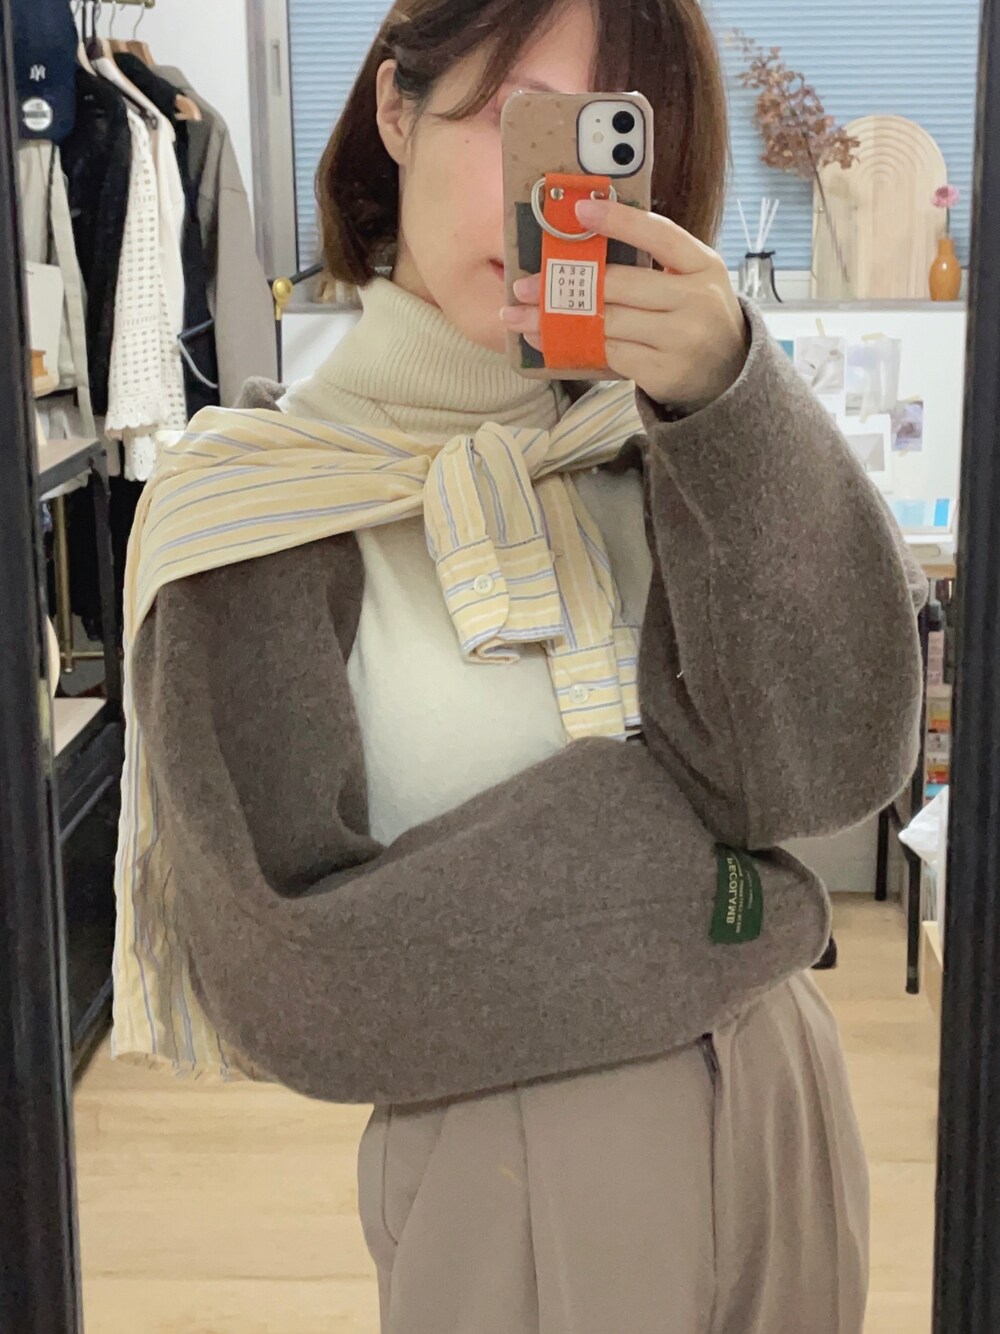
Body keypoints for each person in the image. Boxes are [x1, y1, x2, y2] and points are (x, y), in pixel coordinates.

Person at [113, 0, 928, 1329]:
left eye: (603, 135)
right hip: (516, 1177)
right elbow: (292, 976)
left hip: (785, 1113)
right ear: (396, 109)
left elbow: (834, 765)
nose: (546, 189)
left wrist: (731, 400)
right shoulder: (253, 512)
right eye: (511, 117)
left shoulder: (674, 447)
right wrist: (735, 896)